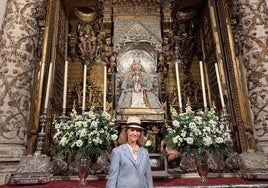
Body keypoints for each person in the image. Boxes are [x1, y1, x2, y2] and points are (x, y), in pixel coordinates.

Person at [106, 116, 153, 188]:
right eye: (132, 130)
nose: (135, 133)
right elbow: (113, 178)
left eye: (138, 130)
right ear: (126, 131)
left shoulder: (144, 152)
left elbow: (148, 177)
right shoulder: (117, 152)